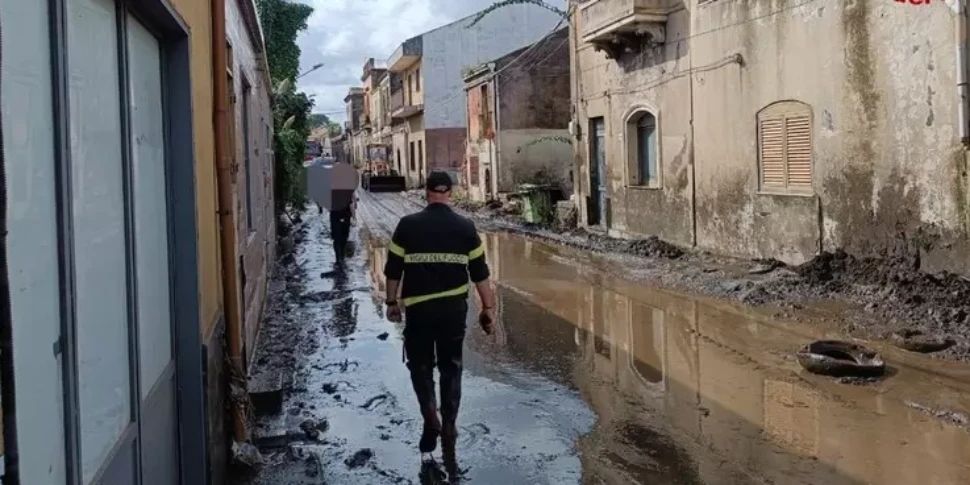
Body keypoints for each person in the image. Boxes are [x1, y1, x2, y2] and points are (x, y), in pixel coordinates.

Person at [382, 171, 496, 467]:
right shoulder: (465, 227)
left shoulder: (407, 225)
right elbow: (480, 273)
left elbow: (393, 268)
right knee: (451, 367)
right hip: (453, 311)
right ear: (450, 193)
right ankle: (449, 426)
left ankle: (430, 415)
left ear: (427, 192)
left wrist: (391, 301)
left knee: (420, 366)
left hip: (419, 311)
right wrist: (488, 309)